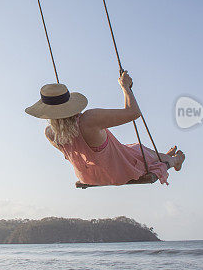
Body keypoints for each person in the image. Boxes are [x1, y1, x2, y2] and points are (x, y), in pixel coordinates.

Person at [25, 71, 185, 186]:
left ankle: (161, 155)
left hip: (89, 177)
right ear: (70, 104)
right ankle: (174, 160)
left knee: (134, 149)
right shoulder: (89, 120)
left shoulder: (50, 133)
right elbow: (133, 113)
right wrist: (125, 87)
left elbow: (74, 154)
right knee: (139, 152)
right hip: (118, 172)